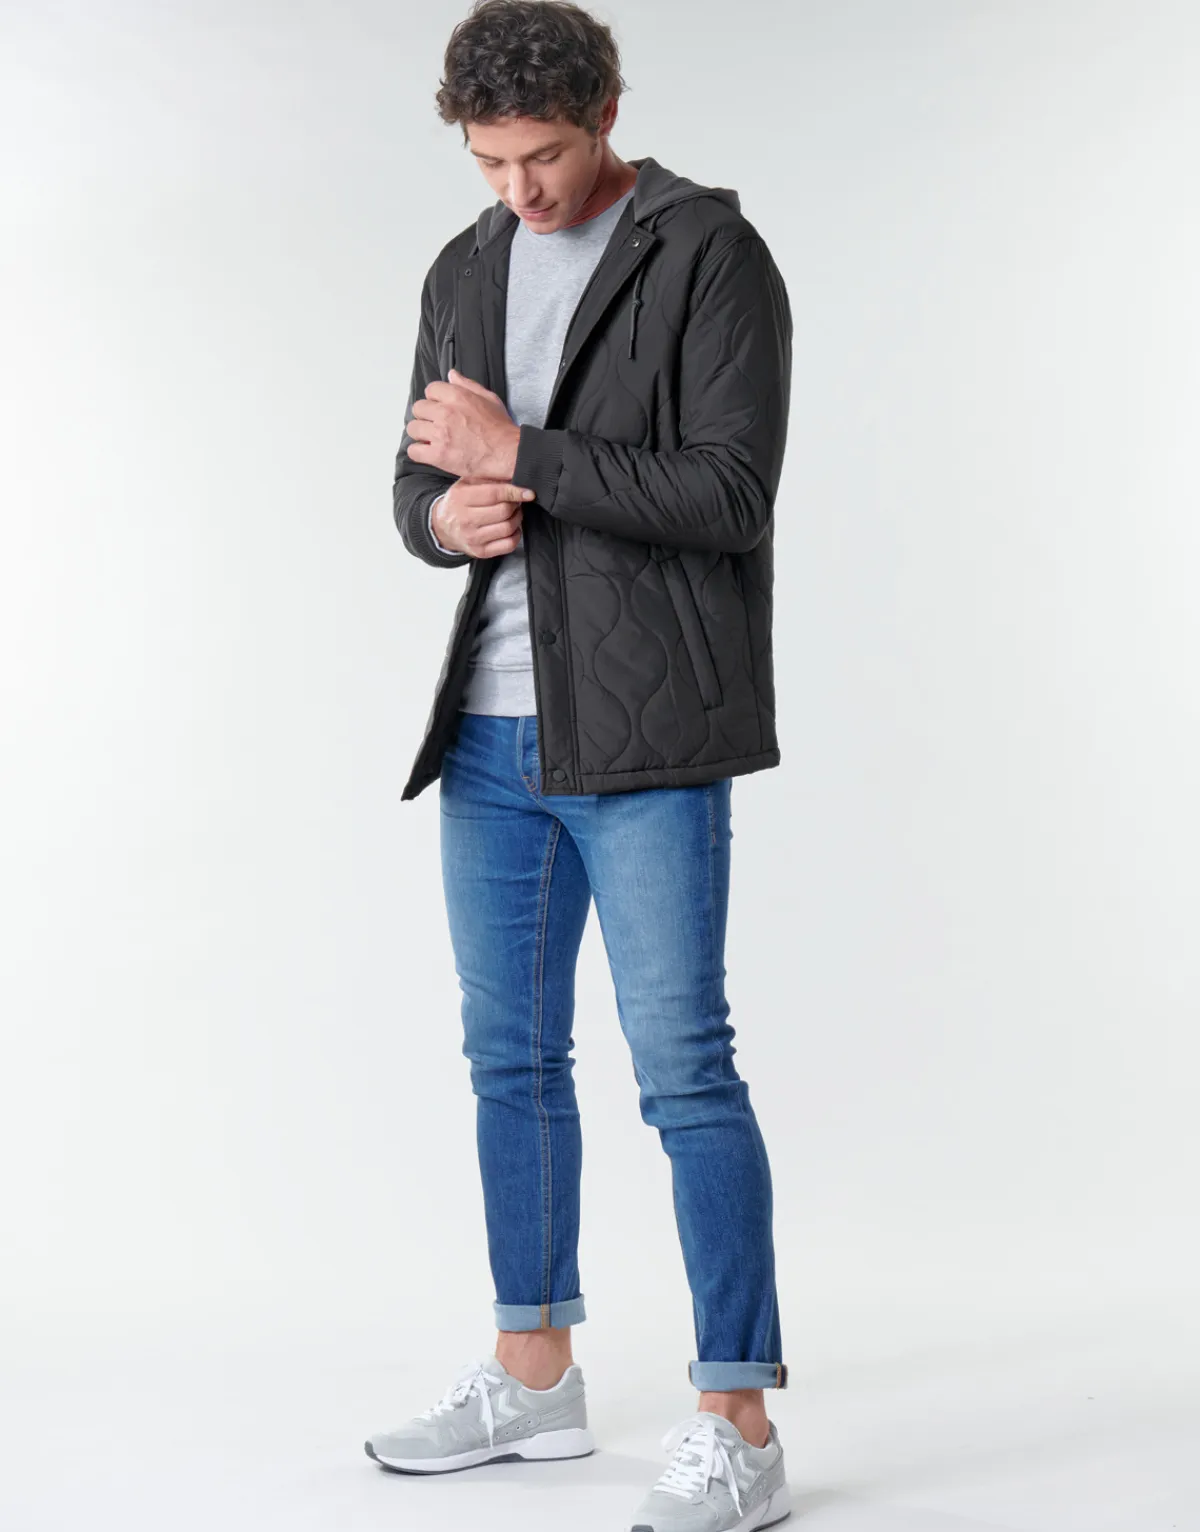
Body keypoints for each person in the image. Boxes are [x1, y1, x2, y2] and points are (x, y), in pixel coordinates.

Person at [364, 3, 794, 1526]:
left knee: (684, 1070)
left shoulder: (708, 254)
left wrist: (523, 459)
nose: (520, 190)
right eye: (491, 162)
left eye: (542, 155)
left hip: (647, 732)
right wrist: (443, 517)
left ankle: (738, 1421)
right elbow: (419, 472)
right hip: (486, 738)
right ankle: (534, 1374)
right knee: (511, 1061)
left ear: (607, 109)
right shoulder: (465, 266)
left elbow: (732, 494)